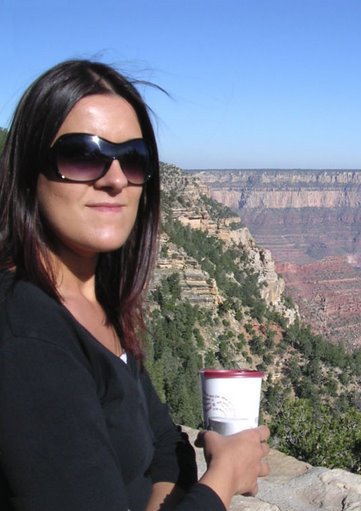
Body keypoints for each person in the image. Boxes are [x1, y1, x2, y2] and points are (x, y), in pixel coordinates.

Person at [0, 60, 270, 510]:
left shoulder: (97, 304)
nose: (115, 178)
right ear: (29, 172)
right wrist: (223, 480)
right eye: (82, 155)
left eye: (134, 158)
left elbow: (166, 443)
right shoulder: (27, 340)